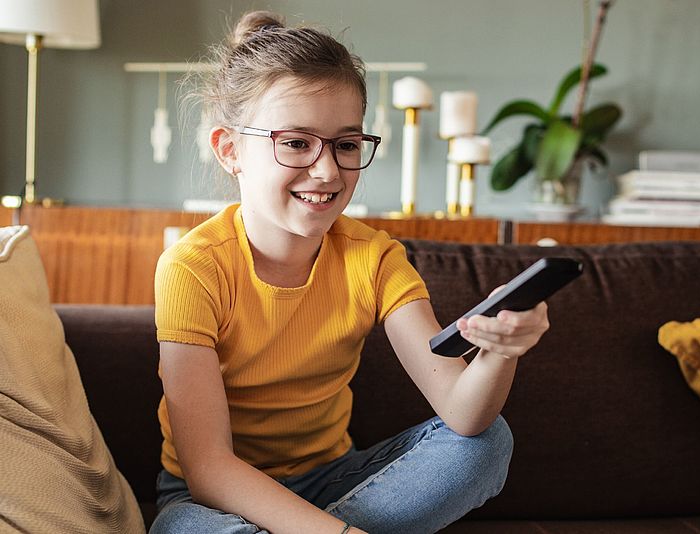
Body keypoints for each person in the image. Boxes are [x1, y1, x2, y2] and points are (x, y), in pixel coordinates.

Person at [150, 11, 549, 534]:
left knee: (488, 443)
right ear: (230, 150)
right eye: (295, 142)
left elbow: (463, 413)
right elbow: (208, 470)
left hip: (335, 480)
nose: (327, 170)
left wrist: (500, 350)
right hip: (215, 497)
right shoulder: (193, 267)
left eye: (345, 144)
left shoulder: (376, 258)